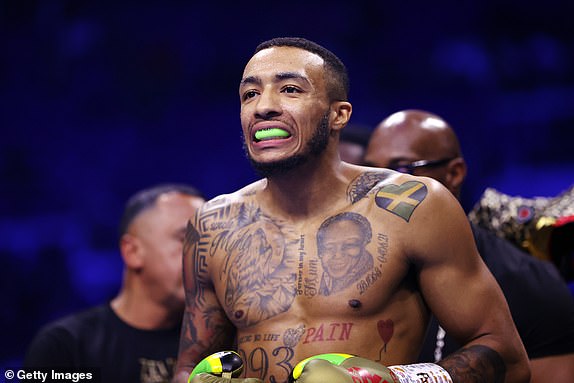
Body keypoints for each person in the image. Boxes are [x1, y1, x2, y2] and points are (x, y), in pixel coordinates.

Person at [173, 37, 530, 383]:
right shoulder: (213, 225)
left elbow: (506, 355)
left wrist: (393, 381)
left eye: (290, 90)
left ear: (339, 115)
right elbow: (188, 368)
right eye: (250, 94)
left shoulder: (413, 205)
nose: (263, 106)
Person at [363, 109, 574, 383]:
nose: (381, 186)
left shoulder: (528, 283)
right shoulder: (346, 267)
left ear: (454, 173)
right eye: (369, 172)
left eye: (402, 170)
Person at [24, 183, 205, 383]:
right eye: (186, 238)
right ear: (132, 252)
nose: (204, 254)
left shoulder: (220, 345)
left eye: (209, 242)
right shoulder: (64, 347)